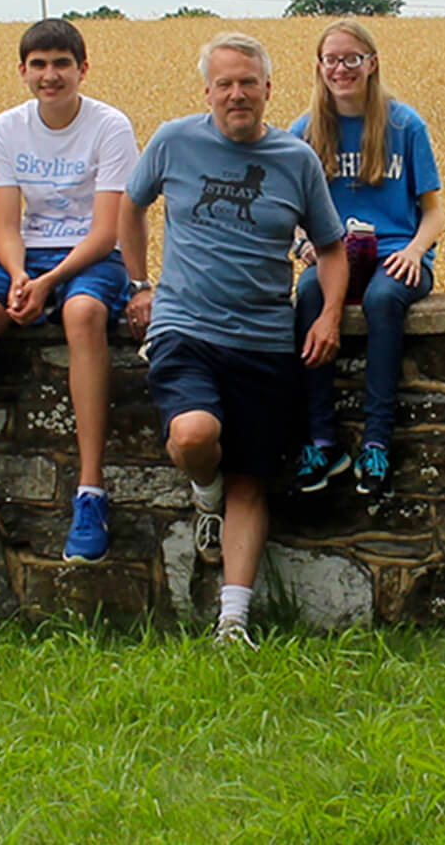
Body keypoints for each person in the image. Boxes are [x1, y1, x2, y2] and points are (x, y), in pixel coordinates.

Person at [120, 32, 347, 648]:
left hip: (266, 340)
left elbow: (330, 247)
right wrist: (139, 283)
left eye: (248, 82)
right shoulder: (173, 141)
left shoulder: (295, 159)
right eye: (225, 83)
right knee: (195, 435)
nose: (237, 94)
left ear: (269, 89)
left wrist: (327, 316)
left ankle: (233, 623)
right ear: (208, 92)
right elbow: (129, 206)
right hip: (185, 328)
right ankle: (203, 490)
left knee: (252, 479)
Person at [0, 18, 138, 563]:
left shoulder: (110, 126)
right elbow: (4, 225)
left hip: (89, 255)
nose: (50, 75)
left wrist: (47, 282)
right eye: (38, 65)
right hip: (25, 257)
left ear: (82, 69)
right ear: (22, 72)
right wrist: (20, 276)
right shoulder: (7, 129)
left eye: (61, 64)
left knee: (85, 313)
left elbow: (107, 230)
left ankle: (90, 490)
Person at [291, 19, 444, 497]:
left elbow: (435, 211)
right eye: (331, 60)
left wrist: (418, 251)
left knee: (382, 299)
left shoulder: (404, 124)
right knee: (310, 292)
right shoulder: (306, 131)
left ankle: (377, 440)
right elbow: (291, 212)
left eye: (352, 58)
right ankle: (321, 439)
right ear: (319, 67)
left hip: (398, 253)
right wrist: (303, 245)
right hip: (336, 255)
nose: (341, 69)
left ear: (372, 63)